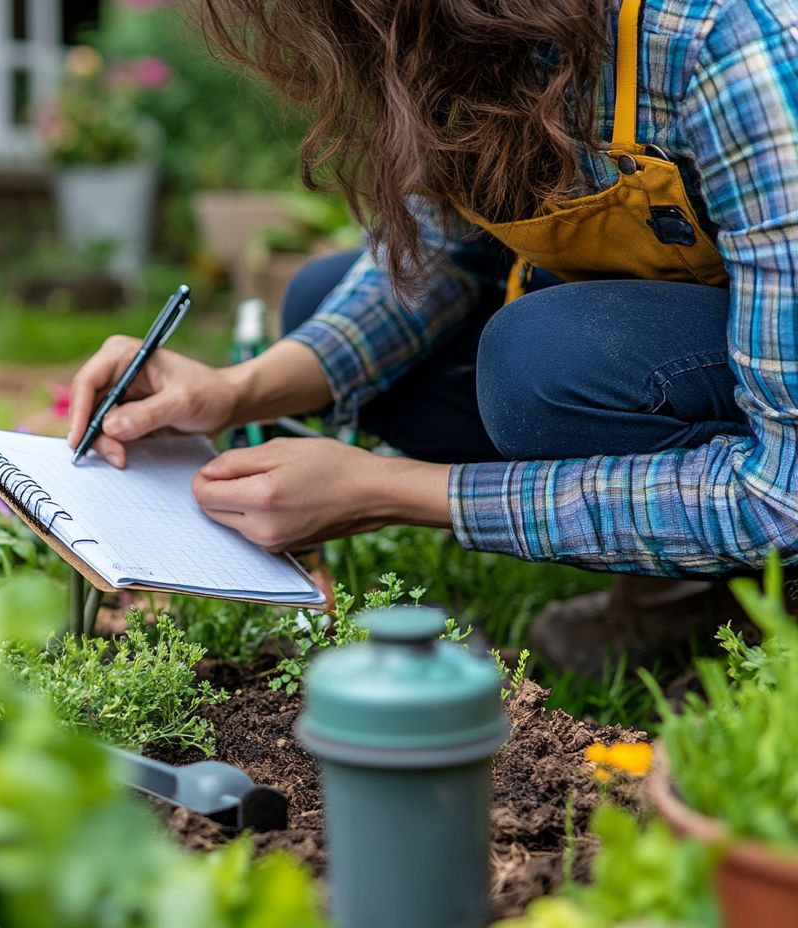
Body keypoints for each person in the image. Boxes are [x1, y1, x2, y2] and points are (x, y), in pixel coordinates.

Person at [67, 0, 798, 674]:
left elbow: (783, 495)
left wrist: (395, 491)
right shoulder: (478, 37)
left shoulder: (722, 40)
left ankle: (747, 612)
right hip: (689, 349)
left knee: (539, 362)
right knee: (320, 299)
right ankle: (691, 596)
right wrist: (232, 393)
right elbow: (437, 252)